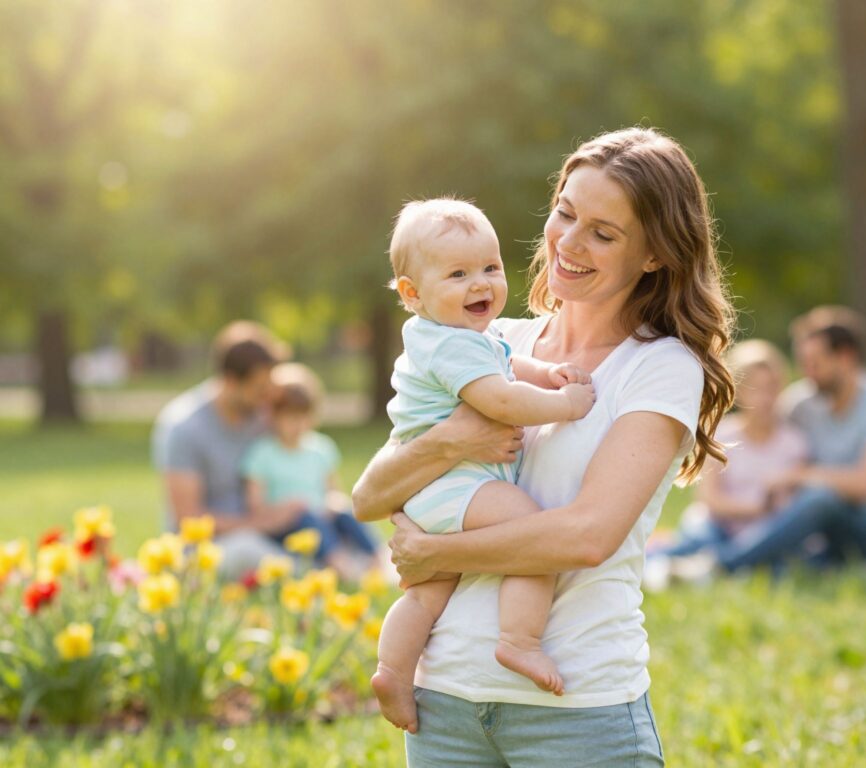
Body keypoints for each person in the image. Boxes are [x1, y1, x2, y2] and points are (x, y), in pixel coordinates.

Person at [353, 127, 735, 767]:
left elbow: (585, 536)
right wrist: (453, 440)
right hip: (444, 702)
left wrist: (435, 551)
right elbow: (370, 495)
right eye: (565, 212)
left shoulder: (661, 368)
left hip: (575, 710)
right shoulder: (487, 339)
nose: (568, 241)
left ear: (653, 256)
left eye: (603, 233)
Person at [372, 198, 598, 733]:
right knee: (533, 536)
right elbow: (500, 400)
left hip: (431, 488)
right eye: (458, 274)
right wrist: (564, 405)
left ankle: (392, 670)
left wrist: (546, 372)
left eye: (490, 268)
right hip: (456, 482)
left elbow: (507, 361)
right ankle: (518, 641)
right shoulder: (450, 346)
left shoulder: (459, 336)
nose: (481, 284)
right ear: (412, 293)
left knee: (429, 591)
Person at [152, 321, 377, 579]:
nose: (267, 399)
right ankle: (323, 574)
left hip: (271, 530)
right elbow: (187, 519)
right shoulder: (184, 427)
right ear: (230, 381)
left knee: (337, 524)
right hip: (212, 545)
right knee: (249, 551)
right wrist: (259, 522)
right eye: (259, 389)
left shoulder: (260, 415)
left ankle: (360, 566)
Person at [711, 306, 866, 572]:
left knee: (820, 498)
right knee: (778, 565)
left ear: (846, 357)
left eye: (815, 363)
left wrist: (800, 476)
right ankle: (680, 555)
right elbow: (759, 434)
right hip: (827, 537)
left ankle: (721, 565)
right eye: (803, 363)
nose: (806, 372)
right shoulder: (802, 404)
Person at [644, 340, 806, 586]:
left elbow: (792, 509)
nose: (765, 398)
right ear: (740, 392)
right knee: (700, 534)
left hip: (765, 532)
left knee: (779, 557)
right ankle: (656, 560)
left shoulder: (795, 443)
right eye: (756, 389)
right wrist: (756, 509)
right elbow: (710, 500)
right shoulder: (723, 437)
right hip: (719, 524)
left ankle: (694, 567)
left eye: (772, 388)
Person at [241, 362, 377, 577]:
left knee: (344, 511)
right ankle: (340, 566)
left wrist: (333, 503)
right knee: (305, 516)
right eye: (291, 417)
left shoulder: (320, 448)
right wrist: (284, 510)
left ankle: (377, 559)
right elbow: (256, 507)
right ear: (274, 417)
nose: (299, 425)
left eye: (304, 417)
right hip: (287, 527)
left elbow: (332, 490)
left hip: (321, 518)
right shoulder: (262, 453)